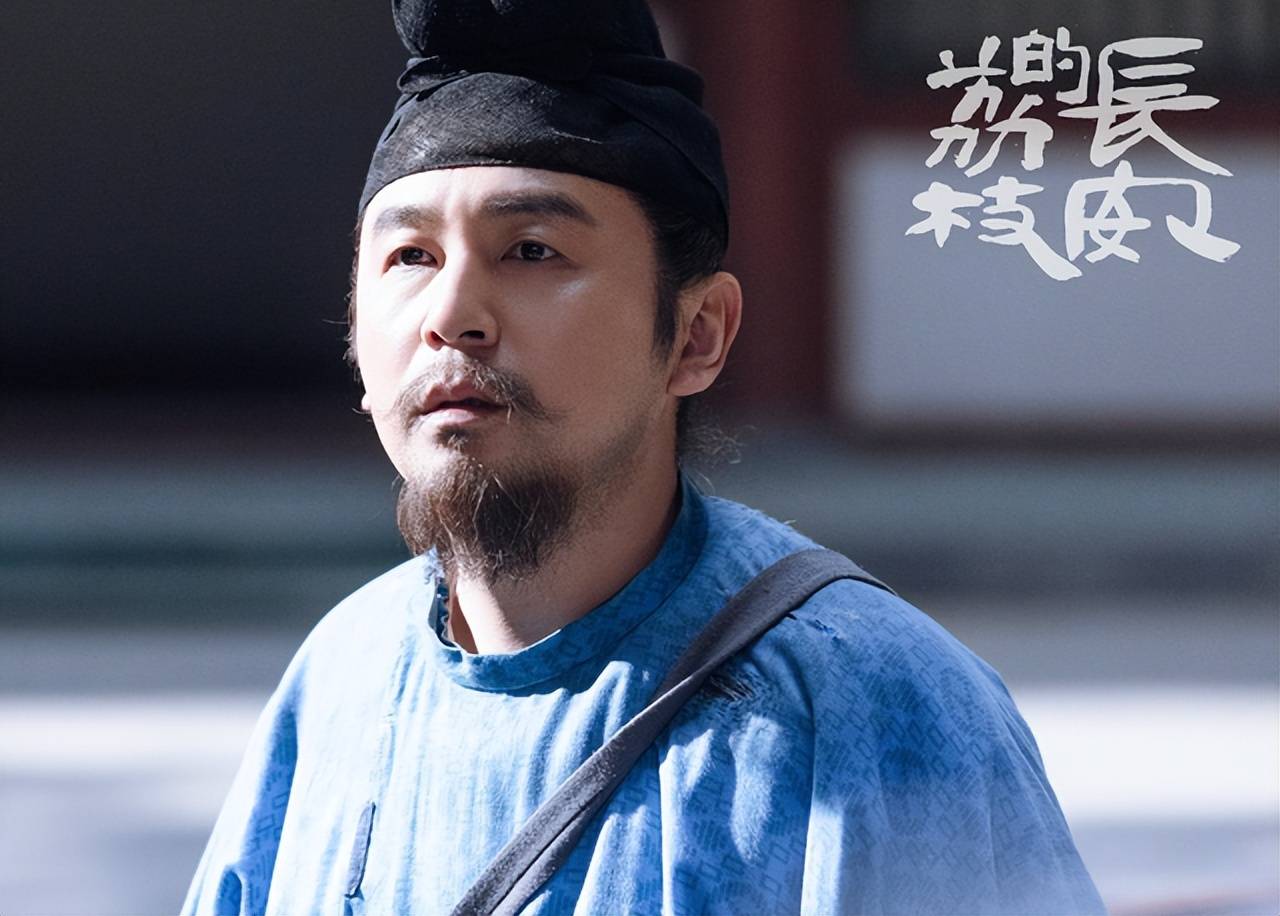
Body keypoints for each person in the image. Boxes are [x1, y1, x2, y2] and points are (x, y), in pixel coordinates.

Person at [182, 1, 1104, 913]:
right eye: (411, 257)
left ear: (697, 334)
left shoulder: (872, 700)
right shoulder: (341, 678)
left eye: (531, 250)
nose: (451, 316)